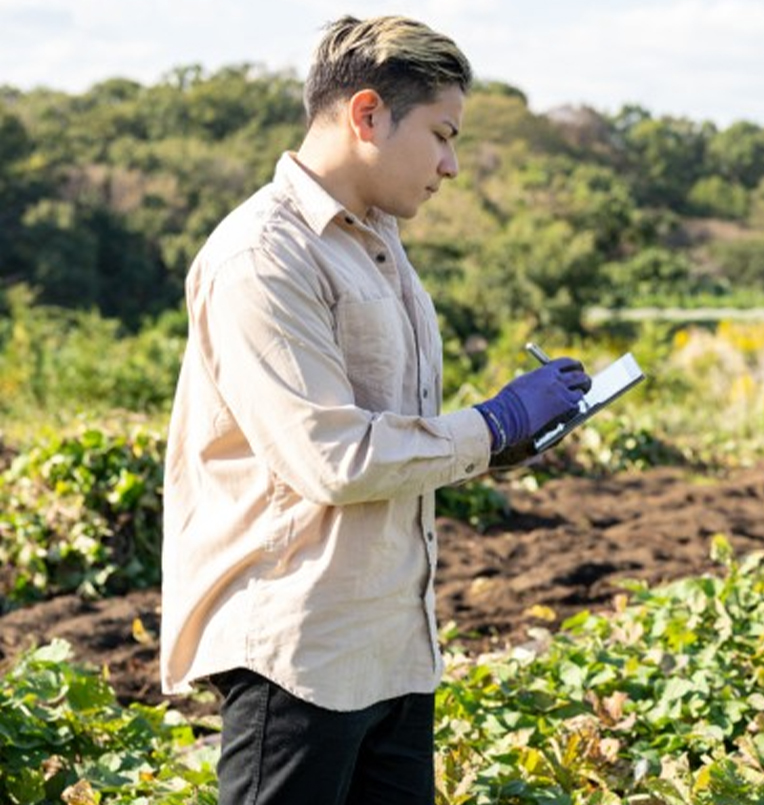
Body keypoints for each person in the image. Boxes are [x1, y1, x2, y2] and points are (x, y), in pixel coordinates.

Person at [159, 16, 591, 803]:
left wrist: (510, 440)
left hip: (393, 646)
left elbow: (392, 427)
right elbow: (328, 456)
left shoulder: (379, 243)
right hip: (300, 651)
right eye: (441, 134)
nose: (451, 165)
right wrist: (490, 423)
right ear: (368, 116)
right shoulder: (264, 256)